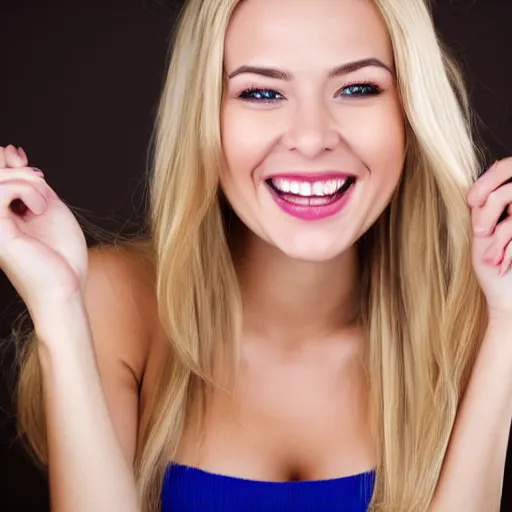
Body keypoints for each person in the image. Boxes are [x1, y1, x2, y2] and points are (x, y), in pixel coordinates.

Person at [1, 0, 511, 510]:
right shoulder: (117, 306)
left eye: (357, 88)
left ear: (410, 111)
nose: (311, 138)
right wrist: (59, 310)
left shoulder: (467, 325)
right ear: (206, 117)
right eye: (262, 92)